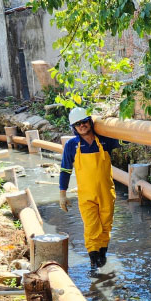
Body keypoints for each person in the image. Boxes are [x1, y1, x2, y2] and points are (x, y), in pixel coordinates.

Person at [58, 107, 122, 270]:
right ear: (74, 127)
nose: (82, 126)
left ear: (90, 121)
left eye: (84, 122)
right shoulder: (72, 146)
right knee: (92, 228)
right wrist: (62, 194)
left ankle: (102, 256)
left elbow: (127, 139)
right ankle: (94, 262)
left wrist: (116, 122)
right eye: (78, 124)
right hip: (86, 196)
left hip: (107, 193)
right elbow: (65, 170)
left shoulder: (106, 141)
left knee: (106, 227)